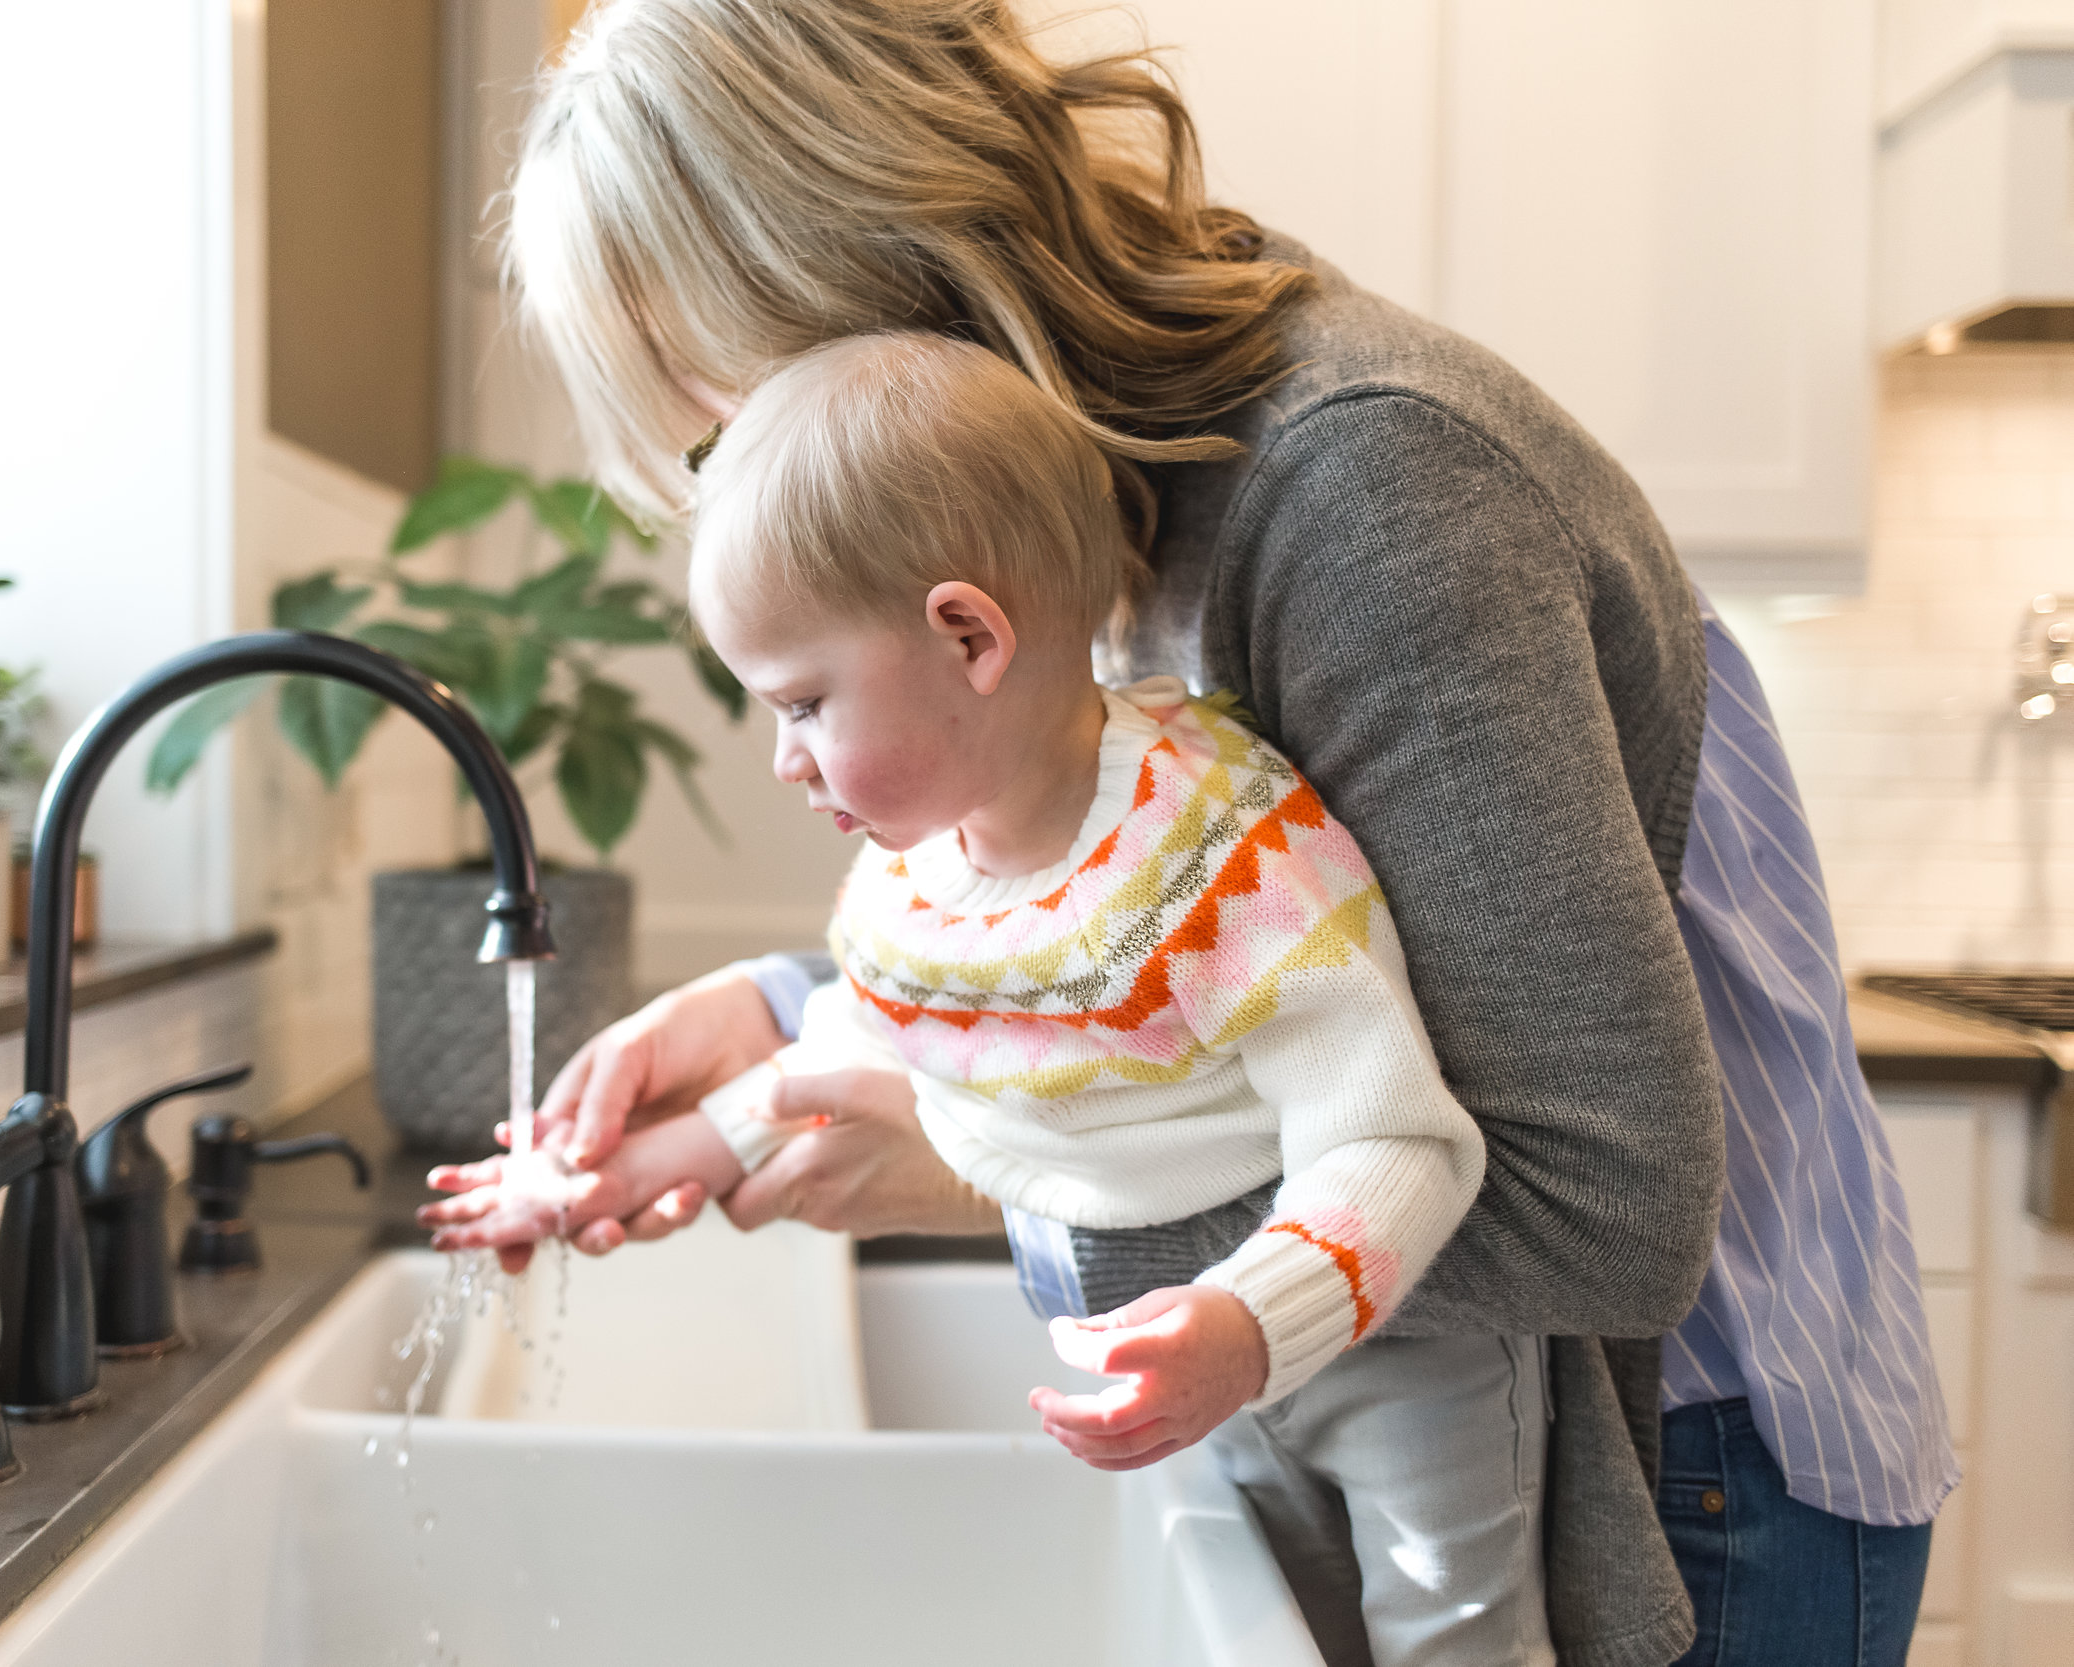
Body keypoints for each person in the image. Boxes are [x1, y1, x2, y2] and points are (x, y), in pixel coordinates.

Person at [432, 4, 1957, 1663]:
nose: (767, 464)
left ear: (869, 267)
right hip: (1527, 1413)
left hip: (1689, 1461)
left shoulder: (1362, 487)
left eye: (741, 402)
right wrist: (790, 1009)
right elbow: (1206, 915)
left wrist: (1001, 1186)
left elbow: (1603, 1199)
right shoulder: (1109, 485)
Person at [422, 331, 1548, 1663]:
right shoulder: (928, 875)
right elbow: (875, 1047)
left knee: (1458, 1645)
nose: (785, 761)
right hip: (1194, 1367)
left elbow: (1395, 1141)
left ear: (967, 636)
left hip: (1399, 1356)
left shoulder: (1218, 860)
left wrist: (1253, 1323)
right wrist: (602, 1177)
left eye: (802, 703)